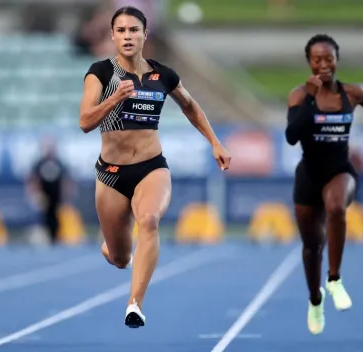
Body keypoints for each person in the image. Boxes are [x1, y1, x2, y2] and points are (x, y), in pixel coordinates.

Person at [79, 6, 231, 328]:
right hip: (111, 175)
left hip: (151, 167)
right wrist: (113, 99)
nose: (128, 36)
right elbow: (84, 122)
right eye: (121, 31)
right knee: (120, 259)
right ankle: (116, 249)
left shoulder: (162, 75)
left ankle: (134, 304)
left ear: (145, 34)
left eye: (134, 30)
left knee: (148, 221)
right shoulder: (100, 73)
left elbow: (189, 105)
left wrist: (215, 142)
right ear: (113, 36)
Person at [285, 34, 363, 335]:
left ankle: (334, 280)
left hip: (340, 170)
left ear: (336, 59)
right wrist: (309, 97)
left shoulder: (352, 93)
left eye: (328, 58)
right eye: (317, 59)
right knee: (311, 247)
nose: (323, 64)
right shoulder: (298, 95)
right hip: (308, 175)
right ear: (309, 62)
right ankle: (315, 300)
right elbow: (292, 135)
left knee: (336, 207)